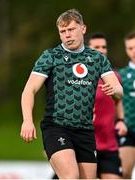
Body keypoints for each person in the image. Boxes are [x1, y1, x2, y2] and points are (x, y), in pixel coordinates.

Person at [20, 9, 123, 179]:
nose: (67, 35)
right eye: (63, 31)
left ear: (83, 29)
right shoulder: (51, 57)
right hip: (57, 126)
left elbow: (119, 90)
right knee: (70, 175)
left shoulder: (97, 59)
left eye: (71, 30)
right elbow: (29, 90)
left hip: (85, 130)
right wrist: (27, 121)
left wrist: (115, 91)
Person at [85, 32, 127, 179]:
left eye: (104, 47)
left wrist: (121, 121)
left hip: (109, 146)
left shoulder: (114, 76)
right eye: (97, 47)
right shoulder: (80, 77)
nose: (101, 50)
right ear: (88, 50)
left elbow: (118, 101)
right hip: (86, 144)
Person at [117, 32, 135, 179]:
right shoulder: (120, 75)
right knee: (124, 172)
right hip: (129, 129)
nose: (133, 51)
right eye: (130, 48)